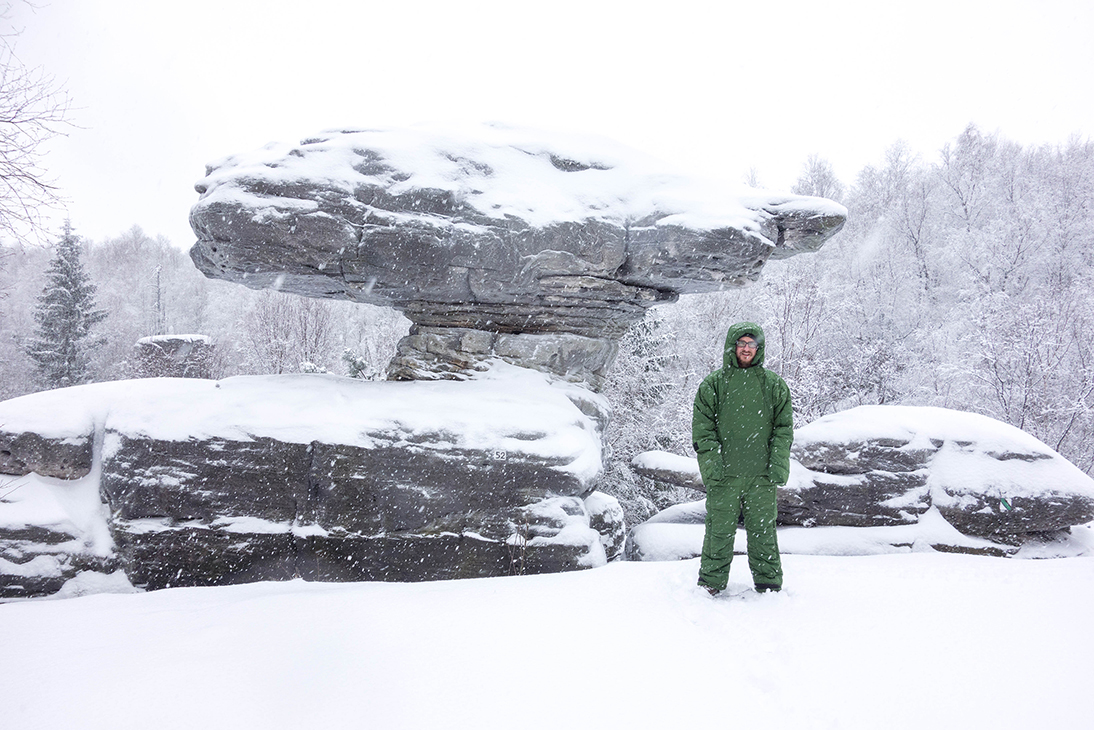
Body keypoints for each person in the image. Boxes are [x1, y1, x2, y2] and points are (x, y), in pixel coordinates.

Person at [692, 321, 793, 596]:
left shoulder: (773, 385)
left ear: (758, 349)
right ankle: (711, 584)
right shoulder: (713, 385)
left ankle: (769, 585)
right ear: (732, 346)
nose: (746, 349)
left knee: (763, 534)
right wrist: (713, 466)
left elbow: (783, 429)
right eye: (742, 343)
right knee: (718, 533)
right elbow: (704, 429)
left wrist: (778, 463)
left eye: (752, 344)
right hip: (725, 476)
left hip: (761, 476)